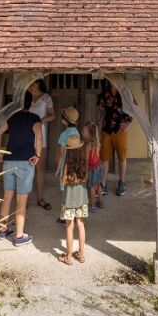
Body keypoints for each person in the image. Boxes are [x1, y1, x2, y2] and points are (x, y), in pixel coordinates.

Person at [0, 101, 43, 248]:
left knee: (7, 197)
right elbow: (39, 137)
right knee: (21, 200)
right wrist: (38, 155)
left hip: (9, 160)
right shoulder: (34, 118)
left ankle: (3, 230)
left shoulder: (12, 117)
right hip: (25, 162)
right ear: (29, 103)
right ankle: (19, 236)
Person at [97, 82, 132, 196]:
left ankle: (122, 182)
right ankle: (103, 184)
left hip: (120, 130)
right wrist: (98, 121)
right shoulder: (105, 91)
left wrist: (127, 122)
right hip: (106, 129)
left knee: (122, 156)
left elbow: (134, 106)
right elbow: (101, 108)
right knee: (104, 157)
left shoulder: (125, 91)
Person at [58, 132, 88, 265]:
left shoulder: (67, 165)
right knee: (80, 225)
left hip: (69, 201)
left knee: (69, 227)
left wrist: (65, 179)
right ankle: (81, 255)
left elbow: (63, 183)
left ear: (68, 151)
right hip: (81, 199)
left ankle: (69, 257)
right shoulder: (83, 163)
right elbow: (85, 178)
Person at [26, 79, 54, 210]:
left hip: (40, 134)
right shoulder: (26, 96)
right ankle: (23, 198)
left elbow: (52, 115)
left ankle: (40, 198)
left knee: (40, 167)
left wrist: (41, 120)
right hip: (26, 135)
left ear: (39, 83)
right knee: (25, 166)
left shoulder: (46, 97)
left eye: (33, 82)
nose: (31, 84)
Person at [55, 106, 80, 226]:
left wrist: (57, 169)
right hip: (74, 166)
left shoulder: (63, 135)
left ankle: (66, 218)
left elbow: (60, 155)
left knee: (65, 192)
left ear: (65, 119)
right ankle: (73, 215)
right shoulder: (77, 132)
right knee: (72, 190)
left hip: (65, 166)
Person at [83, 122, 103, 212]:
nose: (82, 133)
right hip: (98, 167)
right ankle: (101, 203)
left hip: (91, 168)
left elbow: (87, 160)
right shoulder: (97, 143)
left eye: (84, 131)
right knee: (98, 185)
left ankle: (93, 206)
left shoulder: (88, 146)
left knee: (91, 186)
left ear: (89, 133)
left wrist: (86, 172)